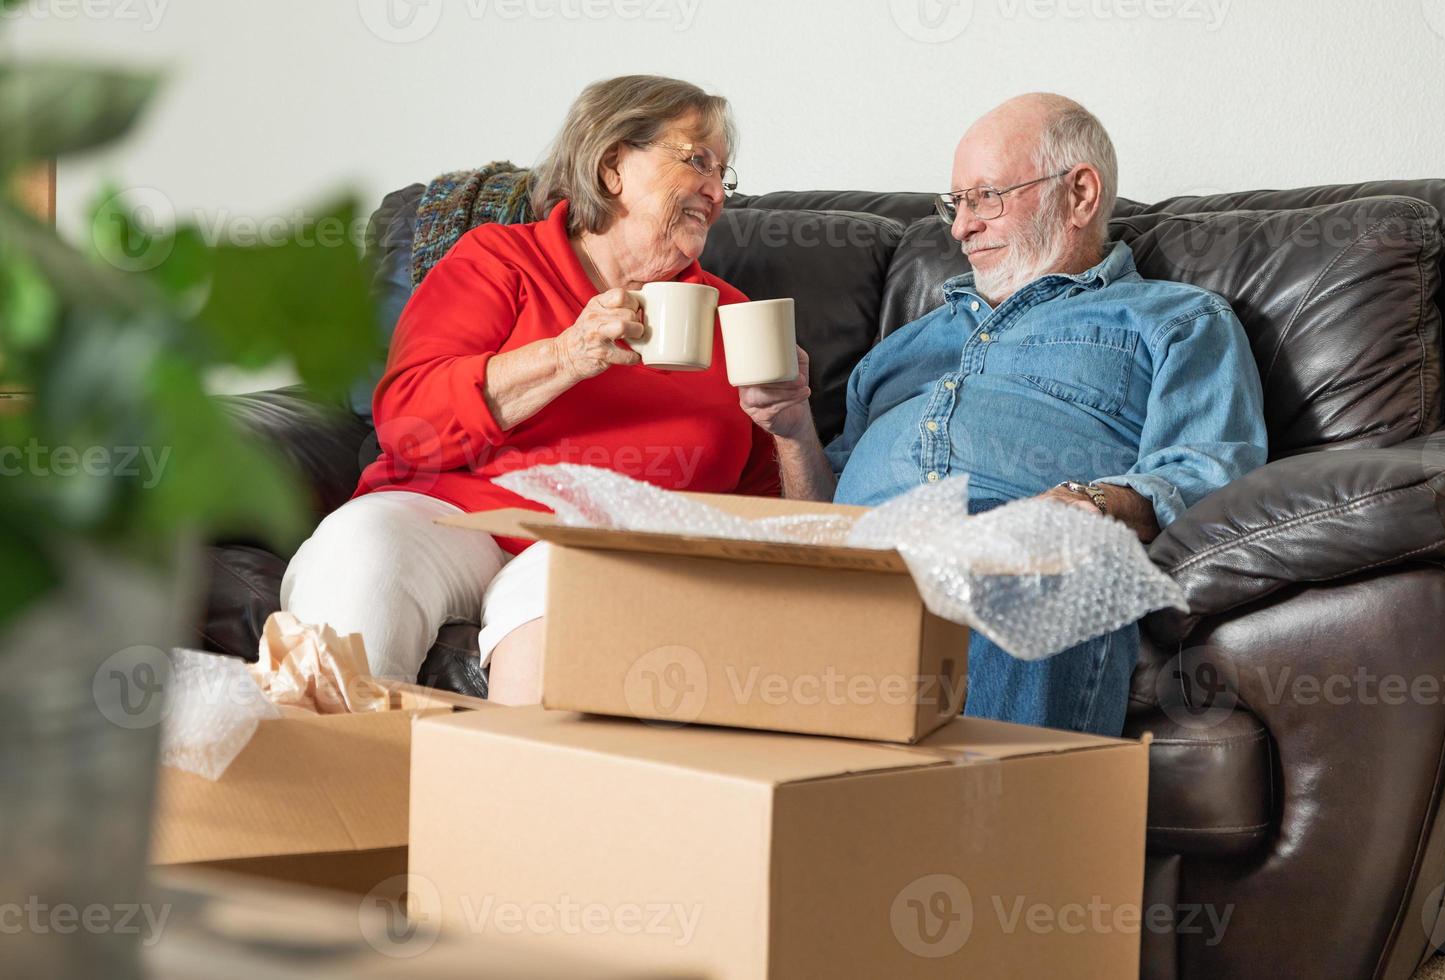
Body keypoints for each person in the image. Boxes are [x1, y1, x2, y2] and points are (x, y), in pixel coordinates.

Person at [739, 93, 1267, 736]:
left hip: (1018, 553)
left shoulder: (1176, 321)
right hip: (862, 565)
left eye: (985, 197)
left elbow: (1210, 467)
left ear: (1079, 195)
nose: (960, 228)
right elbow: (818, 519)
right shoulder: (900, 350)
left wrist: (1091, 503)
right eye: (954, 204)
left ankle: (985, 824)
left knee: (1060, 563)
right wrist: (794, 429)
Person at [282, 75, 778, 700]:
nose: (716, 192)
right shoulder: (498, 261)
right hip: (450, 516)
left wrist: (793, 425)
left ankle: (514, 793)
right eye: (697, 162)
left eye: (723, 176)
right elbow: (407, 424)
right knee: (362, 548)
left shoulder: (734, 318)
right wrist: (566, 356)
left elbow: (766, 502)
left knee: (575, 594)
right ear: (610, 168)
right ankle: (332, 788)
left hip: (607, 543)